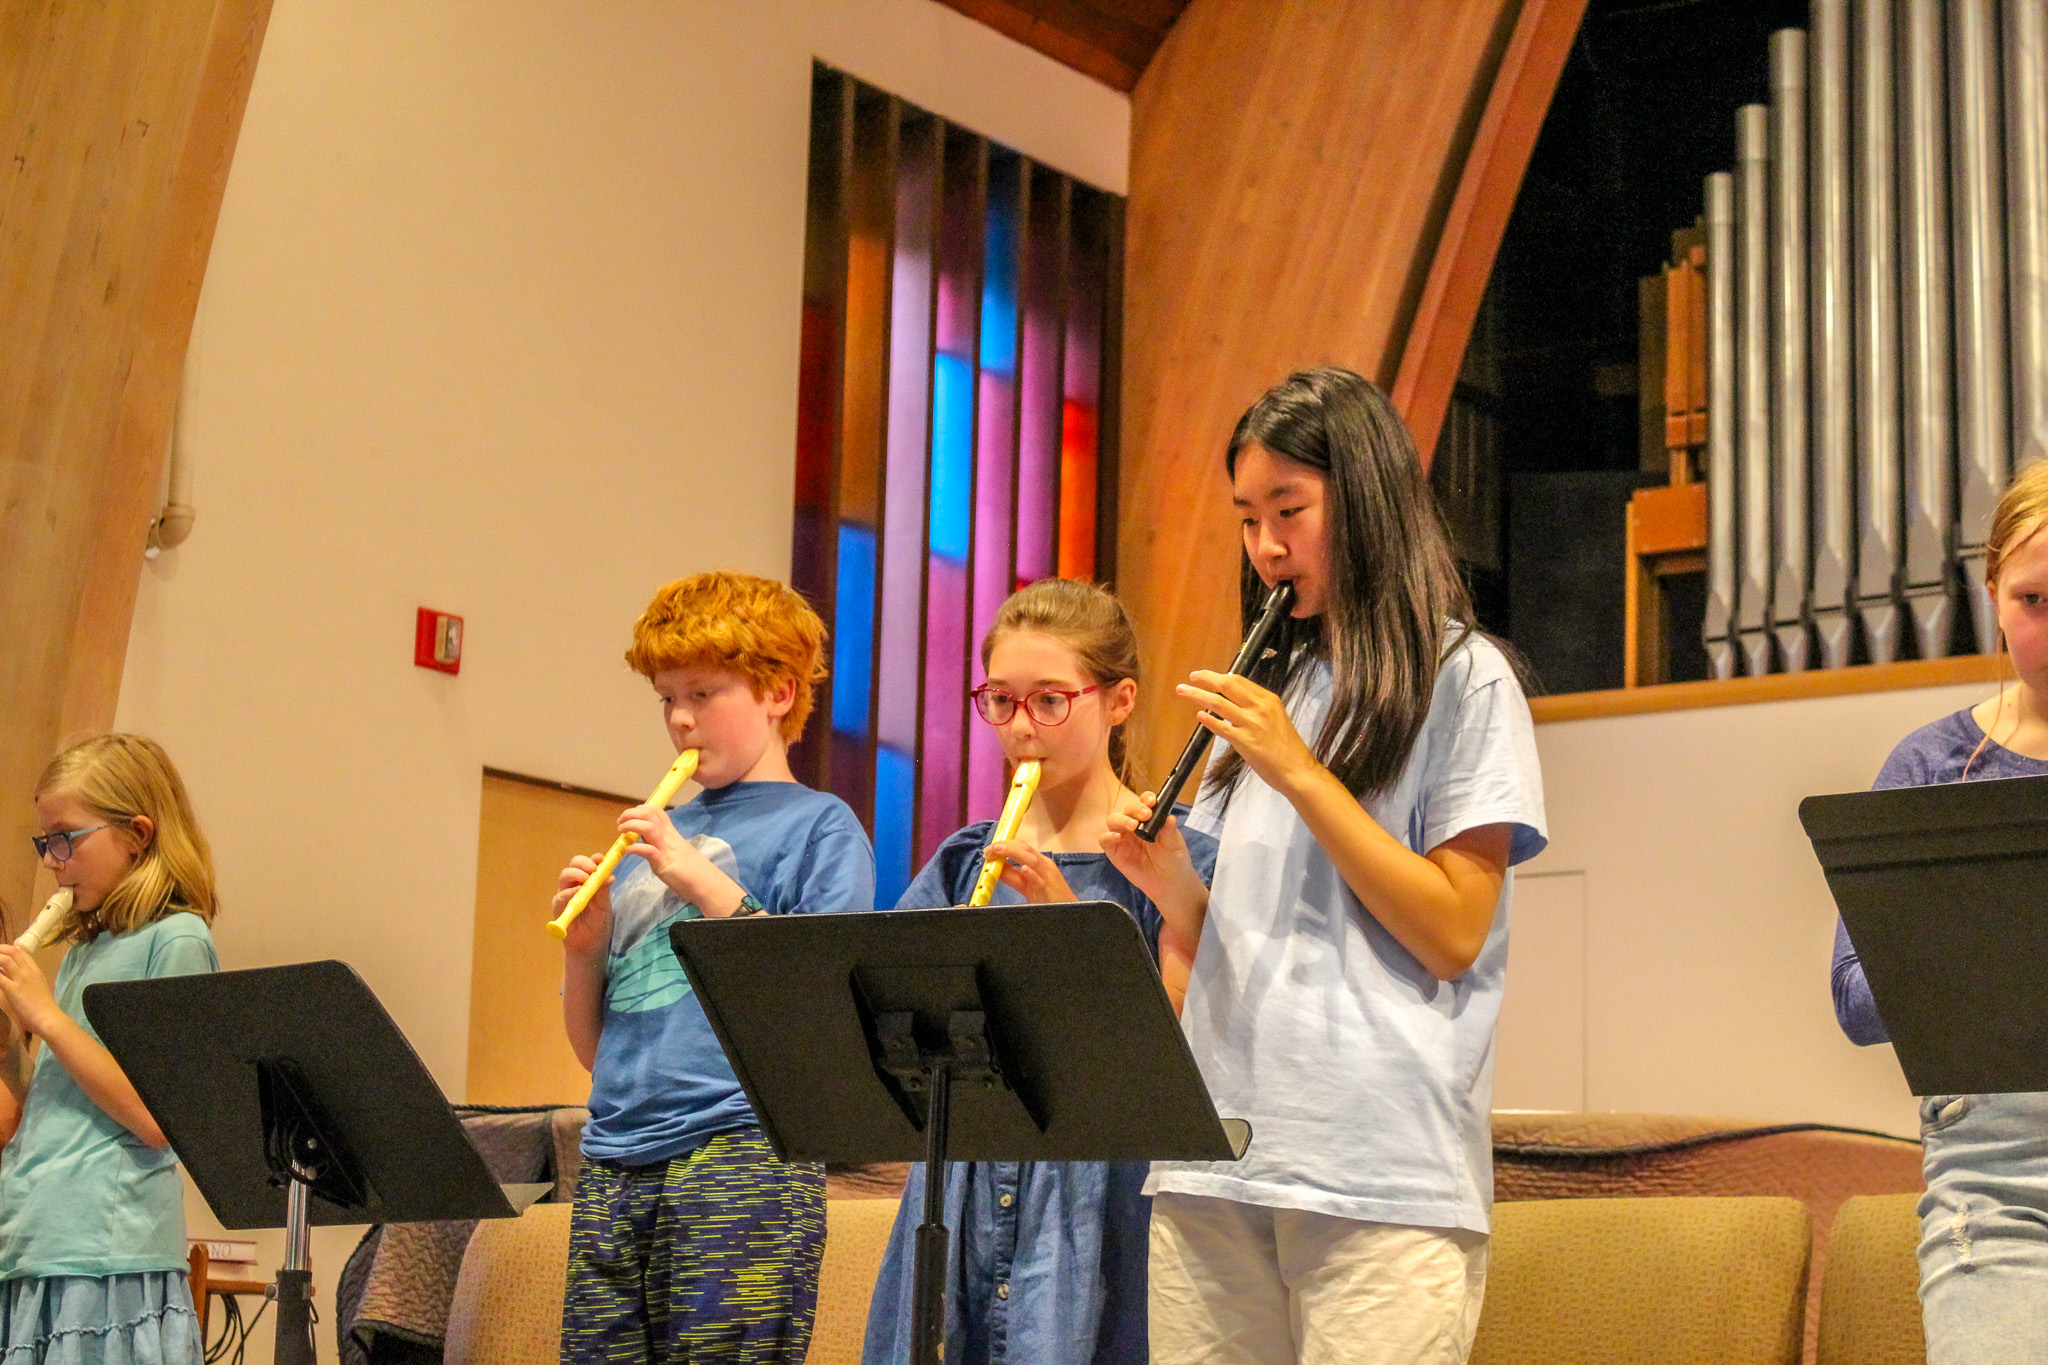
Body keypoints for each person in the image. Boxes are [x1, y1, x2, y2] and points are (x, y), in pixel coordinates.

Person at [1117, 368, 1547, 1365]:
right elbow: (1233, 935)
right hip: (1215, 1156)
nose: (1265, 546)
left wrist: (1301, 773)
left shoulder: (1463, 678)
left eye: (1289, 511)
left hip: (1378, 1168)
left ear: (1362, 503)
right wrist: (1169, 880)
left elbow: (1449, 932)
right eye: (1245, 517)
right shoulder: (1276, 685)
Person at [861, 577, 1220, 1365]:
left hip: (1100, 1202)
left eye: (1050, 701)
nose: (1022, 728)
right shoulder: (963, 859)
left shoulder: (1172, 855)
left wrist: (1067, 928)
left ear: (1117, 701)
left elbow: (1173, 1062)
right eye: (1001, 700)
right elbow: (888, 1027)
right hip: (961, 1188)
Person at [555, 570, 876, 1365]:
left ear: (777, 690)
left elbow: (816, 1005)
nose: (680, 719)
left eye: (703, 692)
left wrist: (698, 879)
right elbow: (596, 1051)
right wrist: (585, 946)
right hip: (617, 1150)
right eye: (667, 697)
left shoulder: (821, 826)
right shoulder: (653, 843)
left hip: (742, 1149)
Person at [1831, 459, 2048, 1365]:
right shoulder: (1931, 763)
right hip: (1995, 1190)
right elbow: (1852, 997)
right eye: (2035, 600)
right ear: (1992, 590)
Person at [0, 733, 222, 1365]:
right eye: (46, 843)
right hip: (38, 1235)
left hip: (108, 1251)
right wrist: (9, 1046)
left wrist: (45, 1013)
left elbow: (158, 1120)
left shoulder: (179, 940)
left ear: (139, 833)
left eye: (67, 838)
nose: (53, 861)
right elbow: (59, 1101)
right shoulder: (86, 948)